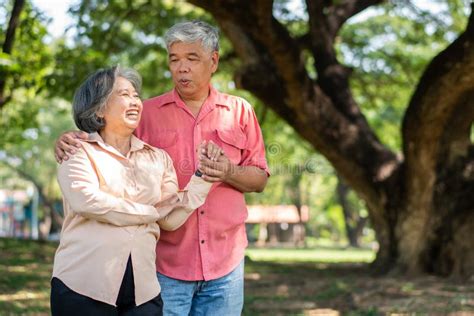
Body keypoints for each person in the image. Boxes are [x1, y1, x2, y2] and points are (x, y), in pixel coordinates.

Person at [55, 21, 269, 315]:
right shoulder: (145, 112)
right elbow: (107, 141)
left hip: (226, 262)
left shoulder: (240, 111)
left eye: (192, 58)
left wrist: (227, 172)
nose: (181, 68)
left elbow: (259, 178)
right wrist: (70, 136)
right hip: (164, 263)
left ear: (214, 61)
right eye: (174, 59)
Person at [51, 66, 219, 315]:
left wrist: (203, 177)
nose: (135, 102)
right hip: (82, 287)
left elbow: (170, 219)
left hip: (144, 293)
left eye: (136, 95)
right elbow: (88, 202)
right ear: (98, 109)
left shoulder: (158, 158)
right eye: (123, 95)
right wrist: (151, 212)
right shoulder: (77, 151)